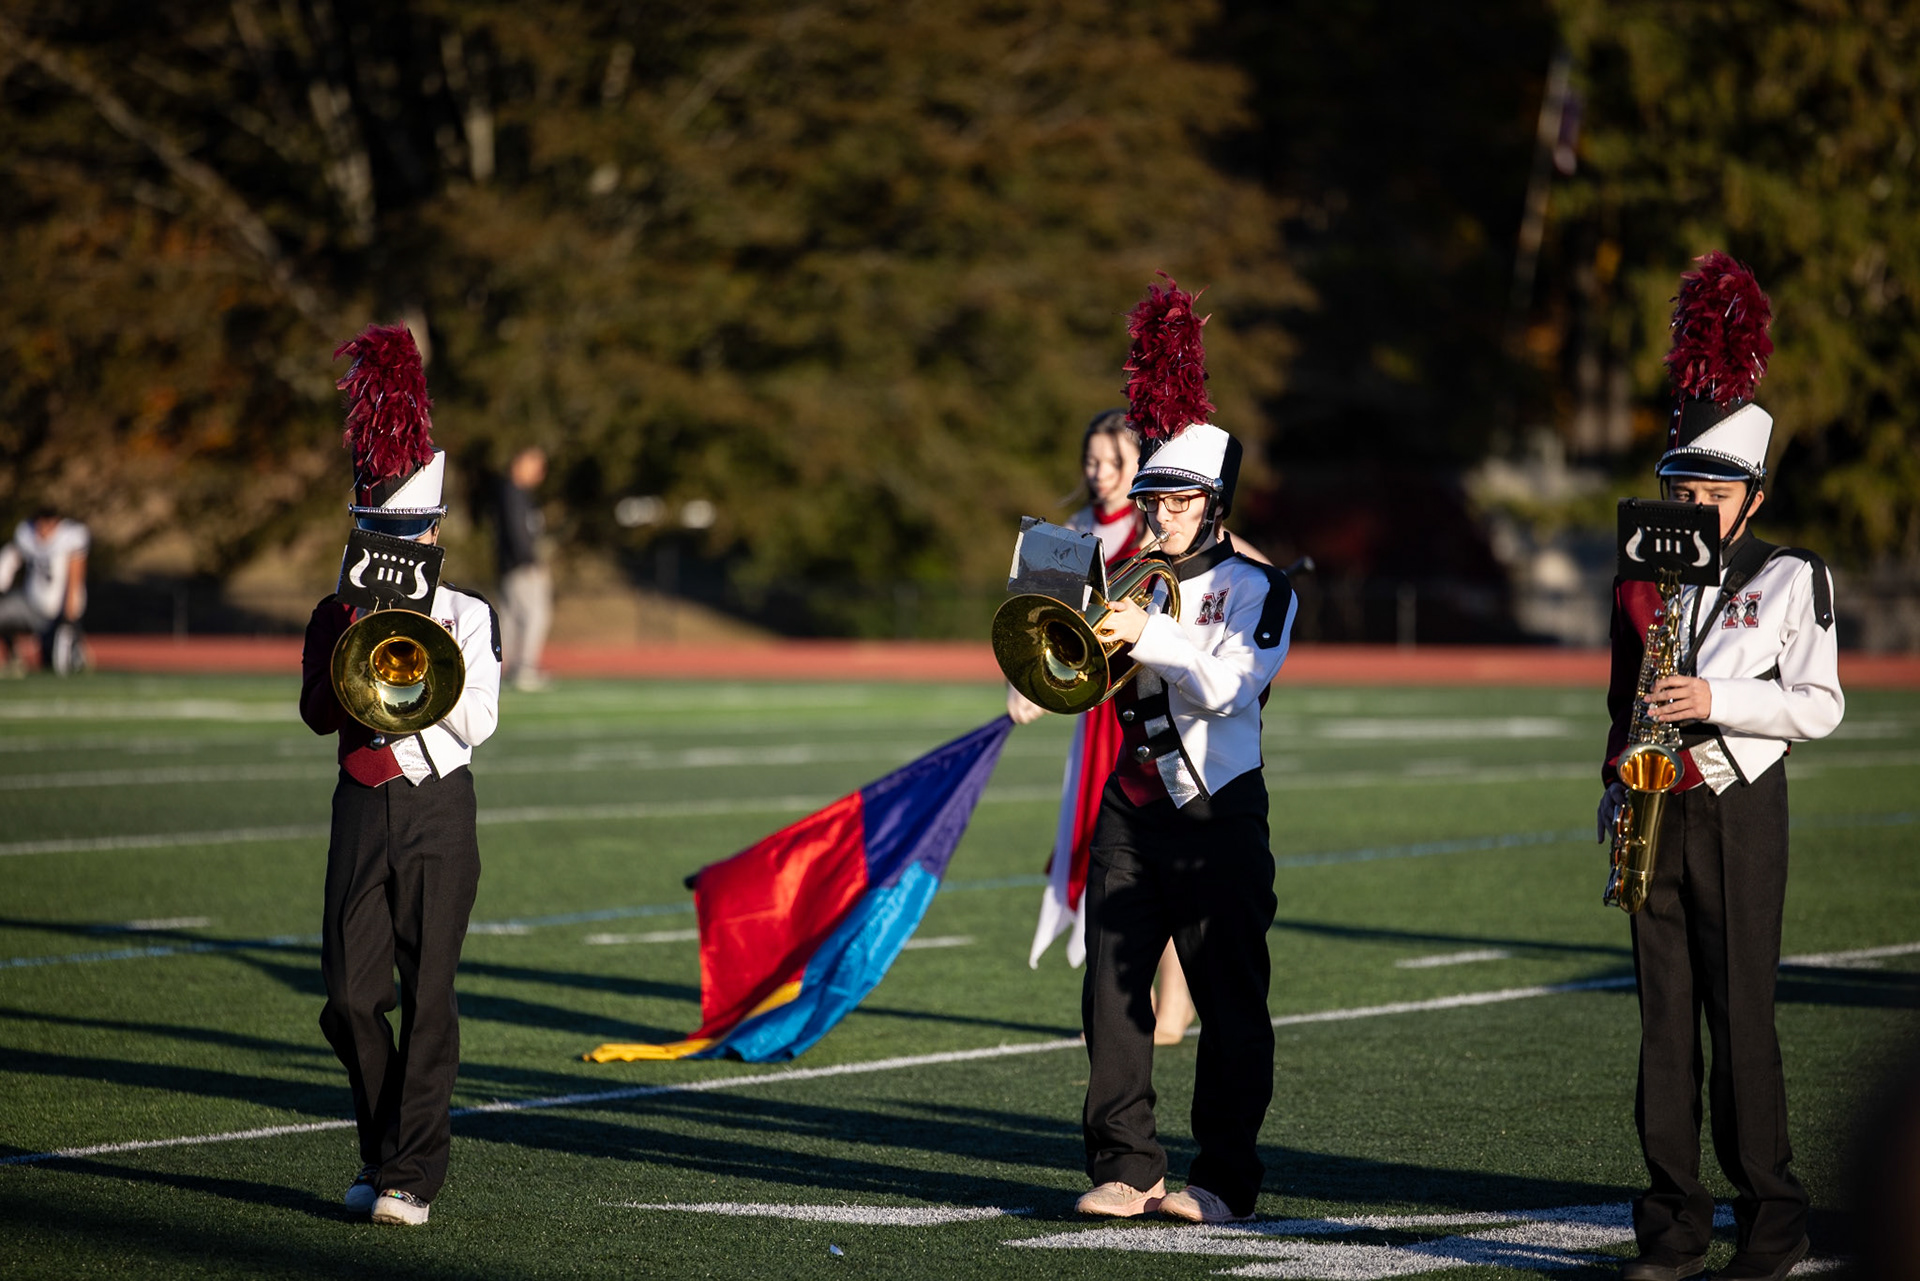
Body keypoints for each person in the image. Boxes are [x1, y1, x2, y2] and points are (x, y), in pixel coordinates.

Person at [1599, 255, 1841, 1281]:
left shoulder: (1791, 578)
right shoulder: (1642, 583)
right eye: (1680, 485)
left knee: (1740, 1020)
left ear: (1751, 493)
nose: (1693, 503)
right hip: (1654, 808)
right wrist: (1612, 793)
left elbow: (1819, 706)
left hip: (1740, 805)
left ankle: (1772, 1220)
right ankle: (1671, 1221)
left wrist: (1718, 702)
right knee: (1662, 1025)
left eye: (1712, 488)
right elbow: (1620, 707)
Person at [1072, 277, 1297, 1225]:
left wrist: (1148, 634)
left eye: (1172, 498)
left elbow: (1226, 684)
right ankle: (1127, 1163)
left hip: (1216, 809)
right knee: (1110, 992)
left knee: (1229, 999)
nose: (1154, 511)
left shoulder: (1260, 589)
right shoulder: (1128, 573)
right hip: (1131, 804)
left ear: (1211, 504)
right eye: (1151, 494)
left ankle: (1225, 1175)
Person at [300, 324, 502, 1227]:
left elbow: (481, 720)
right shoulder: (332, 611)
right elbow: (315, 709)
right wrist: (358, 643)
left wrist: (421, 656)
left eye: (408, 526)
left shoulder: (466, 611)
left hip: (438, 806)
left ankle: (410, 1174)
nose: (398, 538)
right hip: (360, 799)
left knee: (428, 996)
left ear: (431, 528)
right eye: (380, 527)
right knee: (348, 996)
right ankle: (383, 1147)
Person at [1016, 409, 1195, 1046]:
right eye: (1091, 461)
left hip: (1162, 716)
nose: (1099, 473)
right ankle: (1138, 1003)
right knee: (1110, 858)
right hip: (1099, 724)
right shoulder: (1074, 531)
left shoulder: (1169, 532)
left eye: (1112, 461)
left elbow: (1248, 569)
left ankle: (1176, 1006)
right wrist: (1023, 681)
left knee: (1173, 863)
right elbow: (1036, 618)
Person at [0, 507, 89, 675]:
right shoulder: (27, 534)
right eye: (39, 523)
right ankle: (14, 656)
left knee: (55, 667)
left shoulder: (70, 537)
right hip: (30, 604)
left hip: (57, 614)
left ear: (56, 522)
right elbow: (9, 559)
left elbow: (74, 581)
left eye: (47, 523)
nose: (42, 528)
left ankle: (76, 649)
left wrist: (70, 617)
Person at [494, 446, 552, 691]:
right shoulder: (512, 493)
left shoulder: (519, 494)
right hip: (520, 566)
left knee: (511, 618)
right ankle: (523, 668)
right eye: (535, 466)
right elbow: (517, 532)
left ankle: (500, 668)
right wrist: (528, 560)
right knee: (534, 615)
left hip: (512, 565)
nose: (539, 473)